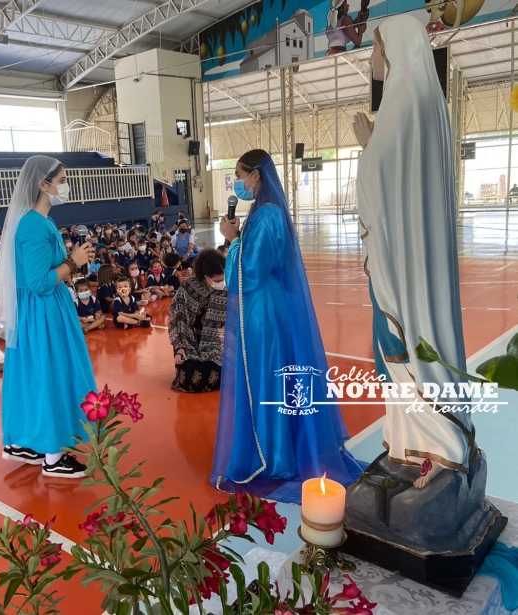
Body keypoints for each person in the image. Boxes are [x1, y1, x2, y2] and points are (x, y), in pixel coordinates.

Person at [352, 16, 474, 489]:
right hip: (418, 254)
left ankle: (434, 444)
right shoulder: (429, 103)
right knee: (405, 348)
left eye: (377, 48)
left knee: (398, 344)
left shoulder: (405, 103)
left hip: (401, 262)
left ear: (395, 48)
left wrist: (368, 148)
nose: (373, 59)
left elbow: (381, 183)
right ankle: (410, 443)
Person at [211, 148, 364, 503]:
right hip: (269, 304)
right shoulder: (266, 213)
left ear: (256, 176)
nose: (237, 183)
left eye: (239, 174)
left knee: (263, 378)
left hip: (262, 308)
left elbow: (248, 273)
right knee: (274, 377)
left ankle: (273, 457)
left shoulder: (266, 216)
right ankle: (281, 448)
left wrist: (232, 240)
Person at [0, 155, 95, 479]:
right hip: (42, 311)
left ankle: (29, 442)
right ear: (43, 184)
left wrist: (73, 259)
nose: (65, 186)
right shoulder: (33, 225)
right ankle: (53, 456)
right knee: (50, 375)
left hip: (49, 308)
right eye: (62, 179)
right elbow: (38, 282)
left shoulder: (43, 221)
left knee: (35, 375)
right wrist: (73, 263)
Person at [168, 249, 228, 393]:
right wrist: (180, 348)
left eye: (223, 279)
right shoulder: (188, 287)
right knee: (190, 378)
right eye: (217, 281)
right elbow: (177, 318)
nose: (221, 283)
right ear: (206, 277)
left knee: (219, 372)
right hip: (187, 342)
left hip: (215, 345)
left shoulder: (228, 290)